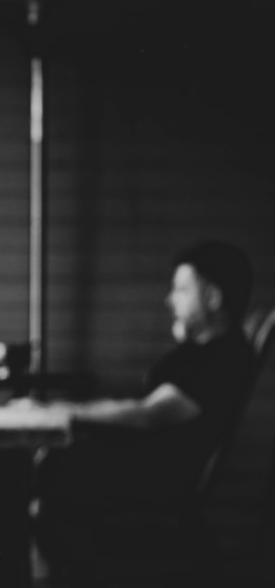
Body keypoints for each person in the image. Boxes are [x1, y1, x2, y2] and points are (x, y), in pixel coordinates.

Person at [32, 239, 255, 582]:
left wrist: (66, 414)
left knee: (40, 475)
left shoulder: (223, 356)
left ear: (213, 297)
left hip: (157, 479)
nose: (170, 300)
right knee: (41, 473)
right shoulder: (198, 351)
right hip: (139, 469)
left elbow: (151, 413)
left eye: (181, 289)